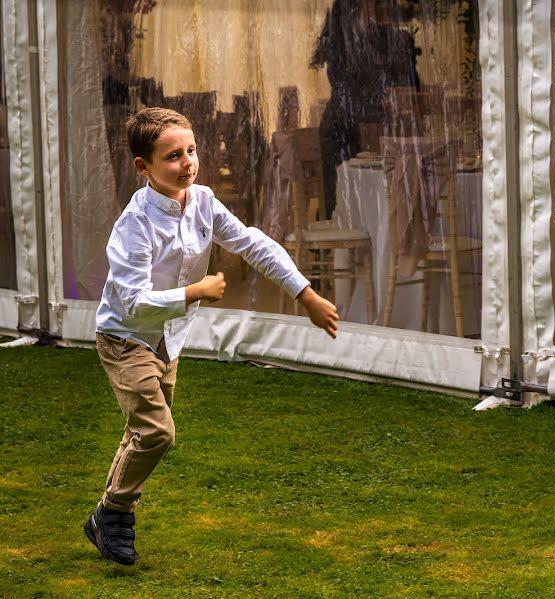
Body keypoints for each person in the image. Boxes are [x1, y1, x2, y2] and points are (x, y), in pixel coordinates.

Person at [84, 107, 339, 566]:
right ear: (143, 167)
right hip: (126, 339)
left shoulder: (200, 200)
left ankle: (108, 516)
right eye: (173, 156)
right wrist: (194, 291)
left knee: (141, 432)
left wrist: (305, 295)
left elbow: (252, 242)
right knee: (157, 433)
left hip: (169, 340)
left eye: (192, 150)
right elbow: (133, 302)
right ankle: (114, 512)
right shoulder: (134, 224)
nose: (187, 163)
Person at [310, 0, 420, 218]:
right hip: (344, 134)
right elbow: (344, 90)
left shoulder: (393, 39)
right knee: (349, 205)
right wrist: (382, 107)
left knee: (389, 203)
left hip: (383, 133)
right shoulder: (340, 41)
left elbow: (410, 89)